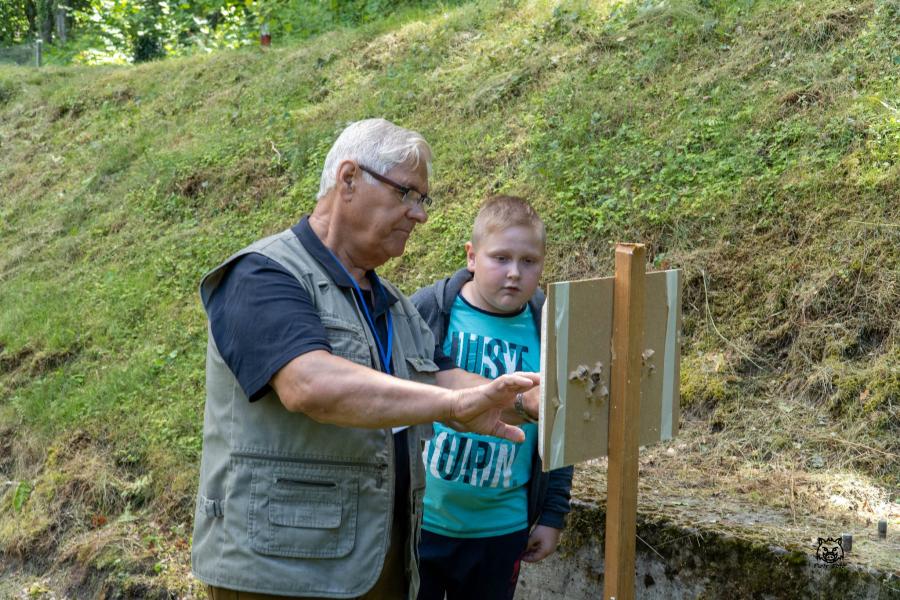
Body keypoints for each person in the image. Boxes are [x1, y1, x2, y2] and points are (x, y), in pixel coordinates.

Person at [190, 119, 539, 600]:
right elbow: (310, 384)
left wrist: (528, 399)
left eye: (423, 200)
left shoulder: (391, 301)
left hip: (374, 562)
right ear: (348, 179)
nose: (419, 215)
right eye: (407, 194)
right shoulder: (262, 275)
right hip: (279, 569)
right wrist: (452, 407)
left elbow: (439, 377)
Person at [411, 196, 574, 600]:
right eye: (500, 258)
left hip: (501, 527)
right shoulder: (429, 313)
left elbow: (564, 430)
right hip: (422, 522)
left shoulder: (551, 331)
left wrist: (553, 515)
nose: (514, 273)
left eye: (529, 261)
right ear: (471, 256)